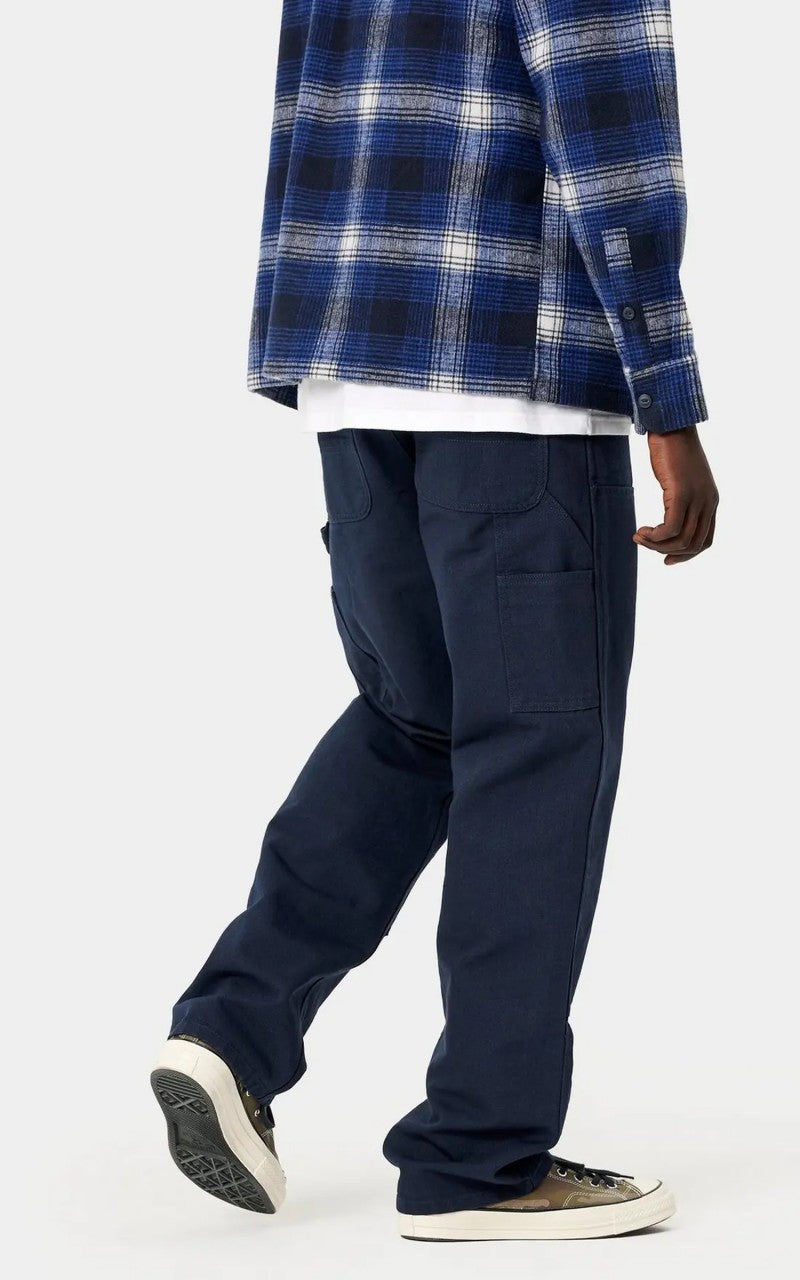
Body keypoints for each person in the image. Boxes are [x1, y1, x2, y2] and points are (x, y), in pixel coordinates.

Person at [151, 0, 718, 1242]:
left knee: (419, 716)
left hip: (347, 359)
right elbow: (608, 115)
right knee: (537, 749)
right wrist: (665, 398)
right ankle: (480, 1153)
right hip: (514, 364)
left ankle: (230, 1032)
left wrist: (302, 346)